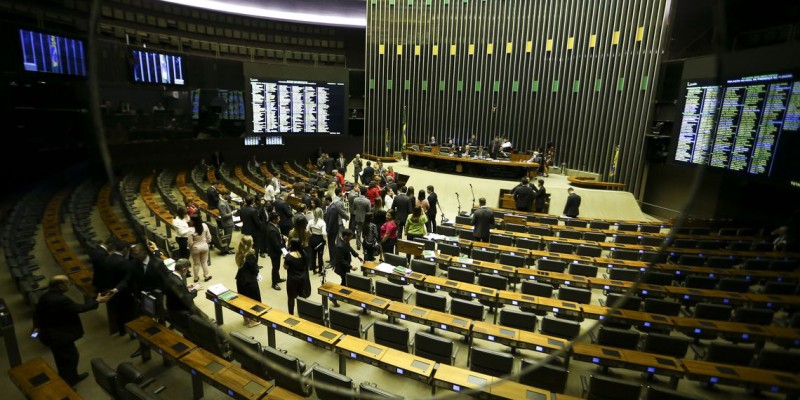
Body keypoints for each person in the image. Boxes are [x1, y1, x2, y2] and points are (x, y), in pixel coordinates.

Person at [33, 275, 113, 386]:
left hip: (51, 335)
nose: (69, 285)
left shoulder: (45, 296)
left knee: (64, 359)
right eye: (67, 283)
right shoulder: (61, 299)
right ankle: (68, 383)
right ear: (60, 286)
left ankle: (73, 377)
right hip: (59, 337)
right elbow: (80, 308)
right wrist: (97, 301)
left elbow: (37, 314)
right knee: (69, 359)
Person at [91, 237, 134, 336]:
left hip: (110, 289)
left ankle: (122, 331)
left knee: (118, 313)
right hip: (123, 292)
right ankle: (132, 333)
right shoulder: (124, 262)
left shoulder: (107, 257)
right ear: (125, 250)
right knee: (128, 313)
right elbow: (129, 278)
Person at [163, 258, 198, 334]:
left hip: (171, 306)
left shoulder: (170, 276)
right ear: (183, 269)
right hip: (181, 310)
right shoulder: (178, 283)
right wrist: (195, 290)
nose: (188, 271)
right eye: (187, 269)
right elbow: (187, 299)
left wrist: (185, 287)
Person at [235, 235, 262, 327]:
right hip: (249, 281)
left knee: (243, 299)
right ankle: (253, 321)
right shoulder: (250, 255)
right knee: (253, 300)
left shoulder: (239, 253)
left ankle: (246, 319)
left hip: (240, 279)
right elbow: (255, 269)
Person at [332, 229, 362, 307]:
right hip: (341, 267)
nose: (351, 239)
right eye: (351, 237)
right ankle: (334, 297)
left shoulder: (345, 241)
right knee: (344, 281)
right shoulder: (340, 246)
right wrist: (351, 267)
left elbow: (350, 248)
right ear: (346, 237)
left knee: (345, 280)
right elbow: (341, 260)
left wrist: (357, 256)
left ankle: (342, 294)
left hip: (345, 266)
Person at [284, 238, 309, 315]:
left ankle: (291, 314)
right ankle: (304, 312)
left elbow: (285, 267)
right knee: (302, 295)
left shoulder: (288, 256)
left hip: (292, 279)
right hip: (302, 278)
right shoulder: (304, 253)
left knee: (291, 297)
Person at [324, 188, 349, 263]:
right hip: (335, 225)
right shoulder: (334, 204)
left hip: (334, 226)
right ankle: (335, 258)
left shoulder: (334, 204)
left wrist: (327, 230)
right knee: (336, 243)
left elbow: (332, 220)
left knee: (335, 243)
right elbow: (341, 213)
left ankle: (335, 258)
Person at [264, 212, 287, 290]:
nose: (279, 219)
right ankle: (274, 283)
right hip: (274, 252)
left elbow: (278, 235)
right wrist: (284, 251)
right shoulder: (272, 230)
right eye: (278, 218)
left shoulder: (272, 225)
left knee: (276, 266)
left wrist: (282, 236)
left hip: (275, 250)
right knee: (275, 267)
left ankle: (278, 278)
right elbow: (276, 244)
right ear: (274, 220)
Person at [188, 214, 213, 282]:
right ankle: (206, 276)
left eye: (191, 220)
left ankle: (196, 278)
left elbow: (190, 242)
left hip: (195, 248)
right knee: (204, 262)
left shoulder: (190, 230)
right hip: (204, 246)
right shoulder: (205, 225)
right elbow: (209, 237)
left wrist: (190, 248)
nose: (189, 221)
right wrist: (206, 243)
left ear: (193, 221)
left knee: (196, 263)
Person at [307, 207, 327, 274]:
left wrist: (310, 235)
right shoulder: (322, 222)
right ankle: (320, 270)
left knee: (313, 255)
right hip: (319, 239)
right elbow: (324, 233)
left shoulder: (310, 221)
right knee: (320, 255)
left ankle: (314, 270)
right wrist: (325, 240)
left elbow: (307, 230)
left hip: (312, 238)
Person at [351, 186, 372, 251]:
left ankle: (358, 245)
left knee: (358, 232)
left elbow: (354, 208)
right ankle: (365, 244)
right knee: (366, 232)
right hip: (365, 218)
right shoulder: (367, 201)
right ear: (366, 193)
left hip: (357, 217)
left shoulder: (355, 199)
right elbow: (369, 210)